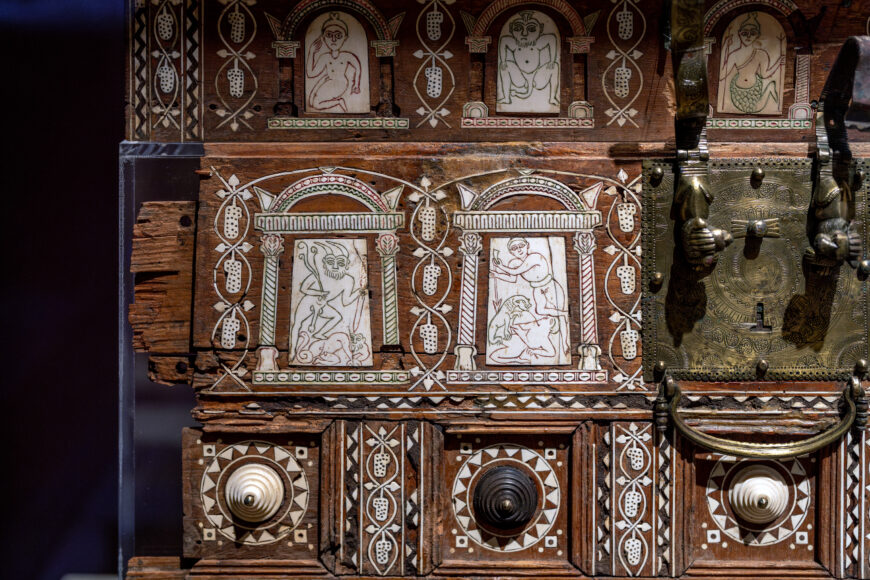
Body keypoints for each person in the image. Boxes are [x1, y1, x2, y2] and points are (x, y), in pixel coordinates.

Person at [306, 13, 362, 113]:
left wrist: (356, 84)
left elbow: (357, 67)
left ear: (345, 37)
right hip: (329, 81)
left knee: (316, 103)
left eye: (338, 35)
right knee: (314, 103)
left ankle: (339, 102)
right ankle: (339, 102)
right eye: (329, 35)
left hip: (341, 83)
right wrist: (311, 53)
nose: (333, 40)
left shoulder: (346, 56)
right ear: (323, 38)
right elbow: (311, 73)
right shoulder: (325, 57)